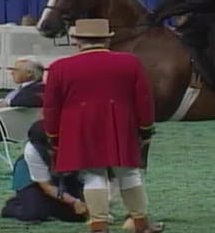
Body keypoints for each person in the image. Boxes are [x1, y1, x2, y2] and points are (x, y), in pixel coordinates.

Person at [44, 19, 164, 233]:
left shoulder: (59, 68)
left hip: (79, 127)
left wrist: (54, 136)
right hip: (120, 124)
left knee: (93, 175)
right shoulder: (130, 62)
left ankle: (99, 225)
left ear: (77, 41)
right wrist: (145, 129)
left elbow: (51, 107)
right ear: (107, 40)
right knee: (129, 173)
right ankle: (140, 223)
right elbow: (144, 100)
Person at [2, 120, 88, 222]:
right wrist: (74, 202)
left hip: (64, 177)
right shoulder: (32, 150)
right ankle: (14, 205)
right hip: (31, 176)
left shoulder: (78, 144)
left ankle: (43, 203)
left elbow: (86, 178)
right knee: (32, 214)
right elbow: (47, 186)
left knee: (77, 216)